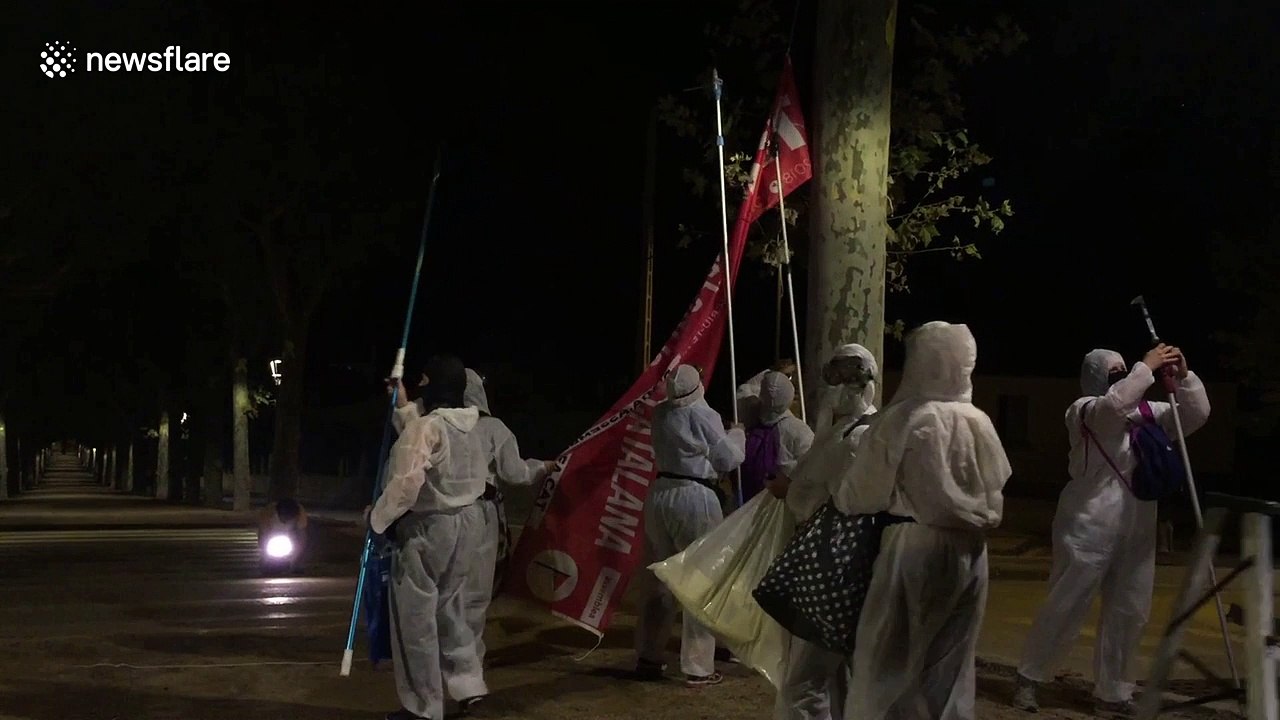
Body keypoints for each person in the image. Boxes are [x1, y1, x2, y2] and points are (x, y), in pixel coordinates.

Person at [1013, 343, 1207, 716]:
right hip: (1088, 525)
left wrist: (1185, 376)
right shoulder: (1085, 410)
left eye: (1126, 371)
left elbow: (1196, 414)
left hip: (1137, 524)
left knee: (1130, 610)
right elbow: (1112, 408)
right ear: (1097, 376)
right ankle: (1030, 678)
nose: (1124, 376)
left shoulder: (1150, 412)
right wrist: (1145, 367)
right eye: (1115, 372)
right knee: (1066, 604)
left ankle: (1113, 692)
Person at [835, 321, 1011, 720]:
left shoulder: (904, 419)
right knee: (950, 672)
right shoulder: (978, 421)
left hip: (914, 547)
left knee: (886, 666)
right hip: (971, 552)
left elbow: (859, 496)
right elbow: (996, 486)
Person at [367, 354, 489, 720]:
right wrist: (403, 405)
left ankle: (423, 706)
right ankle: (469, 686)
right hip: (467, 525)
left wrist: (377, 521)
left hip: (427, 528)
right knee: (451, 609)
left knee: (415, 617)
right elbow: (424, 435)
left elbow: (406, 485)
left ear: (432, 385)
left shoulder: (429, 427)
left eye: (422, 381)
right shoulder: (472, 426)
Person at [765, 343, 877, 720]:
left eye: (847, 379)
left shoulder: (855, 438)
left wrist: (790, 490)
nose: (837, 389)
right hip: (840, 566)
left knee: (804, 683)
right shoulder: (849, 431)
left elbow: (808, 493)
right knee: (841, 677)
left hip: (835, 569)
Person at [634, 363, 746, 687]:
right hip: (694, 495)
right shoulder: (703, 413)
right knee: (700, 580)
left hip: (659, 494)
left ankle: (648, 655)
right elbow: (727, 459)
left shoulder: (659, 413)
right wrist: (737, 433)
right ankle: (698, 665)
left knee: (660, 580)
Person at [462, 368, 557, 667]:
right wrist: (542, 467)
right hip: (479, 516)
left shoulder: (438, 425)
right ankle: (467, 665)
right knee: (476, 593)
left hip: (441, 516)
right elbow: (515, 473)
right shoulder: (494, 429)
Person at [739, 370, 814, 503]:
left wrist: (770, 371)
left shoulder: (749, 415)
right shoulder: (799, 430)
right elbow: (813, 468)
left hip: (749, 499)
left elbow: (745, 390)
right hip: (782, 501)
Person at [256, 497, 309, 572]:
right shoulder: (268, 513)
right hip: (271, 534)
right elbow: (262, 535)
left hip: (290, 534)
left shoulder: (300, 513)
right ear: (278, 512)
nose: (285, 521)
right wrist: (265, 556)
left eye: (289, 519)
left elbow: (302, 536)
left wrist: (295, 558)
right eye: (284, 518)